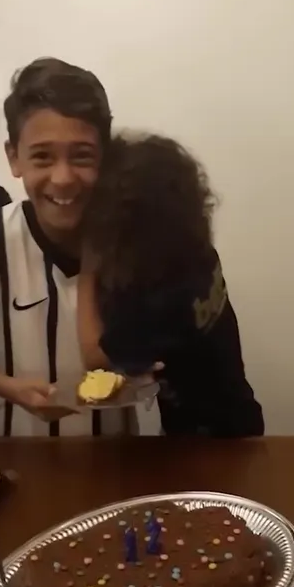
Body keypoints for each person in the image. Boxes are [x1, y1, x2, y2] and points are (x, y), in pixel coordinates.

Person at [0, 57, 136, 437]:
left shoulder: (129, 239)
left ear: (105, 157)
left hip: (116, 453)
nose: (63, 178)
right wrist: (11, 389)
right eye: (42, 156)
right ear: (14, 157)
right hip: (20, 453)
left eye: (82, 156)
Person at [76, 132, 265, 438]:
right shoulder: (199, 254)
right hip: (238, 416)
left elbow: (94, 357)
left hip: (207, 438)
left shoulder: (161, 301)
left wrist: (87, 267)